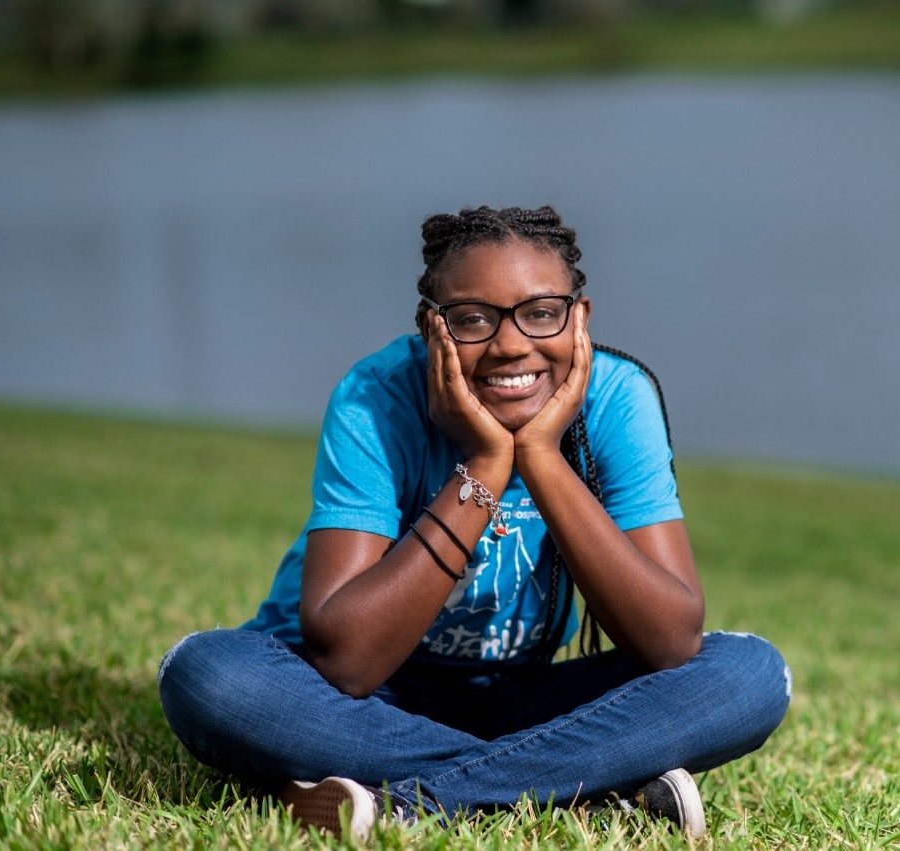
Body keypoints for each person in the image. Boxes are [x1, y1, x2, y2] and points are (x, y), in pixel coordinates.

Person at [157, 205, 790, 840]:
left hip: (521, 697)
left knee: (751, 676)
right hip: (355, 701)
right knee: (210, 676)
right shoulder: (375, 398)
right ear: (432, 328)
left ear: (581, 318)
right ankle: (581, 786)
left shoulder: (618, 398)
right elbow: (347, 660)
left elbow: (669, 641)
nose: (512, 343)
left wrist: (541, 454)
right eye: (472, 320)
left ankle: (414, 799)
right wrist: (486, 464)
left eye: (542, 312)